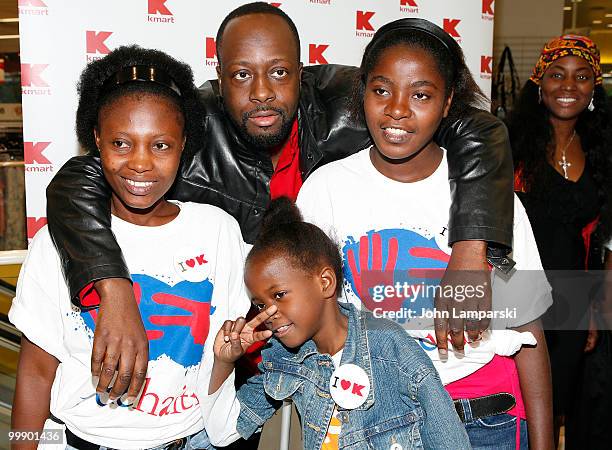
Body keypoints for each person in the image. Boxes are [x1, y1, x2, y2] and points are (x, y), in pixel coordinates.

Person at [45, 2, 514, 405]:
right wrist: (113, 291)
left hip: (335, 341)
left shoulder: (348, 104)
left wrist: (470, 251)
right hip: (224, 351)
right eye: (242, 75)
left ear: (302, 69)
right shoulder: (193, 125)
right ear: (220, 79)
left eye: (280, 72)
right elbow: (77, 180)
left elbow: (478, 127)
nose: (263, 92)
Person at [296, 18, 553, 449]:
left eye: (421, 95)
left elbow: (528, 329)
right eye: (381, 90)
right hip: (373, 419)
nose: (397, 109)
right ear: (362, 93)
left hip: (483, 419)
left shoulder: (489, 194)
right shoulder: (326, 189)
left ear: (448, 100)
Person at [10, 46, 249, 449]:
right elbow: (35, 373)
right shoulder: (57, 241)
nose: (140, 163)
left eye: (160, 145)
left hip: (192, 440)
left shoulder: (217, 231)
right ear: (97, 139)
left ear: (184, 143)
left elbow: (228, 354)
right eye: (121, 143)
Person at [201, 197, 472, 449]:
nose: (269, 311)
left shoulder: (389, 347)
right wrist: (225, 362)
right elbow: (222, 431)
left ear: (325, 282)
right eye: (260, 304)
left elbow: (450, 440)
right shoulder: (286, 359)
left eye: (279, 295)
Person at [510, 35, 612, 449]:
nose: (568, 86)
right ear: (539, 82)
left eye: (582, 77)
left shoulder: (602, 149)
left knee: (557, 409)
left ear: (593, 88)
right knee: (518, 406)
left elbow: (601, 237)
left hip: (572, 298)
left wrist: (596, 308)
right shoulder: (509, 144)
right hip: (514, 293)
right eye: (557, 74)